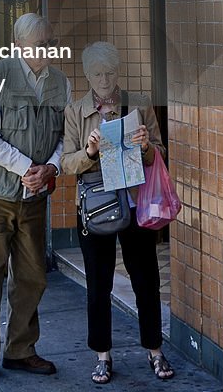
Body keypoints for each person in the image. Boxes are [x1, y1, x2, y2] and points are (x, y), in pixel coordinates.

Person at [61, 42, 174, 384]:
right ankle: (102, 355)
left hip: (136, 203)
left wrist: (147, 147)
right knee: (98, 284)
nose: (105, 80)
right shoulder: (75, 111)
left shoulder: (137, 104)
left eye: (110, 72)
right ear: (87, 75)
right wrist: (90, 152)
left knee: (146, 280)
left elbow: (160, 151)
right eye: (97, 74)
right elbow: (67, 163)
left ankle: (155, 350)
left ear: (119, 71)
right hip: (97, 206)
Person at [0, 13, 71, 384]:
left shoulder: (60, 82)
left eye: (50, 42)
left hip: (34, 195)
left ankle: (21, 350)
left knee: (32, 277)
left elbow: (66, 136)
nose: (47, 50)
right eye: (40, 44)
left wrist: (52, 169)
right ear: (19, 46)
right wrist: (28, 166)